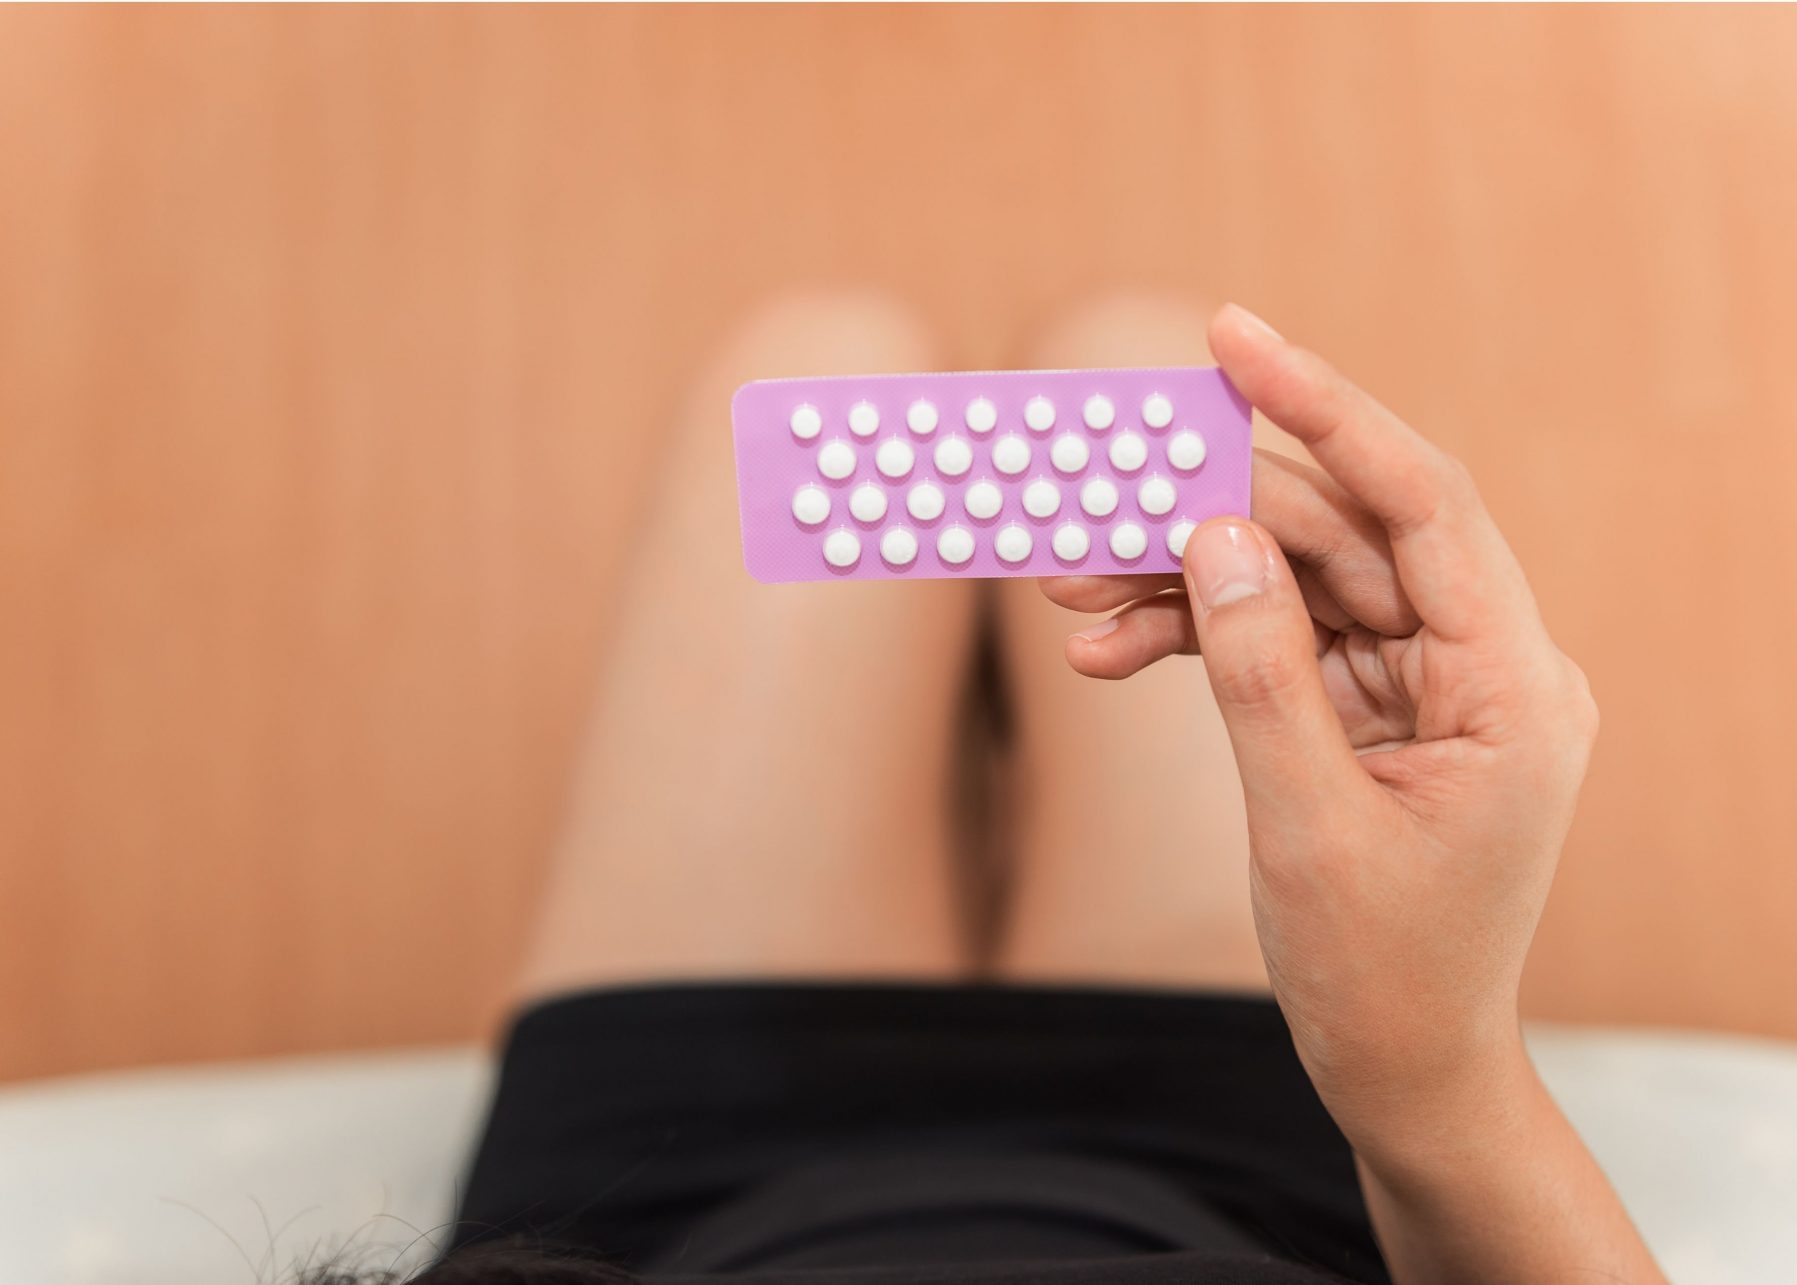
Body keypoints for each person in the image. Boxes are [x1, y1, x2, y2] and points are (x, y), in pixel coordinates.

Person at [324, 297, 1663, 1284]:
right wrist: (1436, 1078)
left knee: (818, 360)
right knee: (1129, 359)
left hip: (646, 1194)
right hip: (1264, 1150)